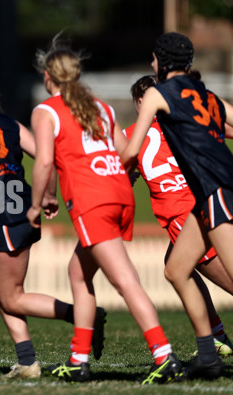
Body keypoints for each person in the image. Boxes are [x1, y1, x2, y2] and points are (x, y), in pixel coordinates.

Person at [29, 40, 182, 384]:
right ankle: (78, 359)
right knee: (78, 273)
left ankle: (164, 356)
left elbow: (43, 163)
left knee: (125, 281)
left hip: (92, 200)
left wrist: (38, 203)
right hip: (119, 193)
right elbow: (125, 151)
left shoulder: (46, 111)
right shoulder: (101, 107)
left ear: (47, 77)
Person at [0, 72, 105, 378]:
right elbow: (46, 156)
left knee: (11, 296)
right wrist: (49, 195)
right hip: (26, 207)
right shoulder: (9, 123)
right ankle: (27, 360)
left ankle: (84, 317)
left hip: (1, 213)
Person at [121, 32, 233, 380]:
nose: (152, 65)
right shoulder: (206, 95)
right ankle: (208, 356)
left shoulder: (157, 93)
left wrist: (108, 169)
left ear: (163, 61)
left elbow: (130, 150)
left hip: (217, 193)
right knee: (176, 269)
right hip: (212, 195)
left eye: (154, 59)